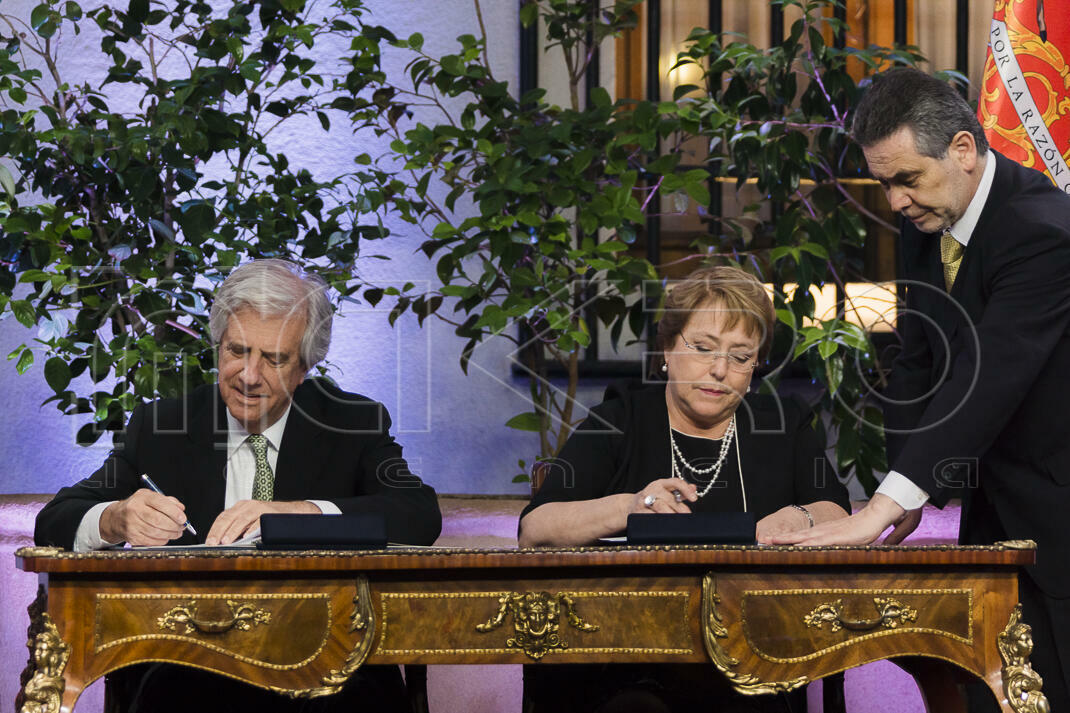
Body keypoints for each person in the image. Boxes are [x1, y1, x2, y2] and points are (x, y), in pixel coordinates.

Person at [772, 68, 1070, 712]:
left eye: (907, 179)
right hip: (995, 524)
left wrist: (881, 506)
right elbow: (919, 357)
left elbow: (988, 375)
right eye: (884, 184)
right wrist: (907, 490)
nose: (896, 203)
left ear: (963, 150)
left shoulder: (1044, 229)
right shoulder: (925, 221)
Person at [35, 258, 442, 712]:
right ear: (217, 346)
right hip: (189, 663)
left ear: (306, 367)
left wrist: (302, 513)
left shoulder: (353, 423)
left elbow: (417, 512)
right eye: (236, 351)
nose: (249, 376)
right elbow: (56, 519)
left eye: (274, 359)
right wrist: (115, 518)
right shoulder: (162, 426)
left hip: (331, 658)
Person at [518, 265, 851, 713]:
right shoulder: (620, 420)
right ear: (667, 348)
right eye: (703, 348)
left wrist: (802, 518)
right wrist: (630, 507)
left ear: (755, 366)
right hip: (625, 660)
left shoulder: (783, 424)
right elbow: (535, 528)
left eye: (740, 356)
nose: (718, 370)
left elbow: (838, 512)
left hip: (751, 658)